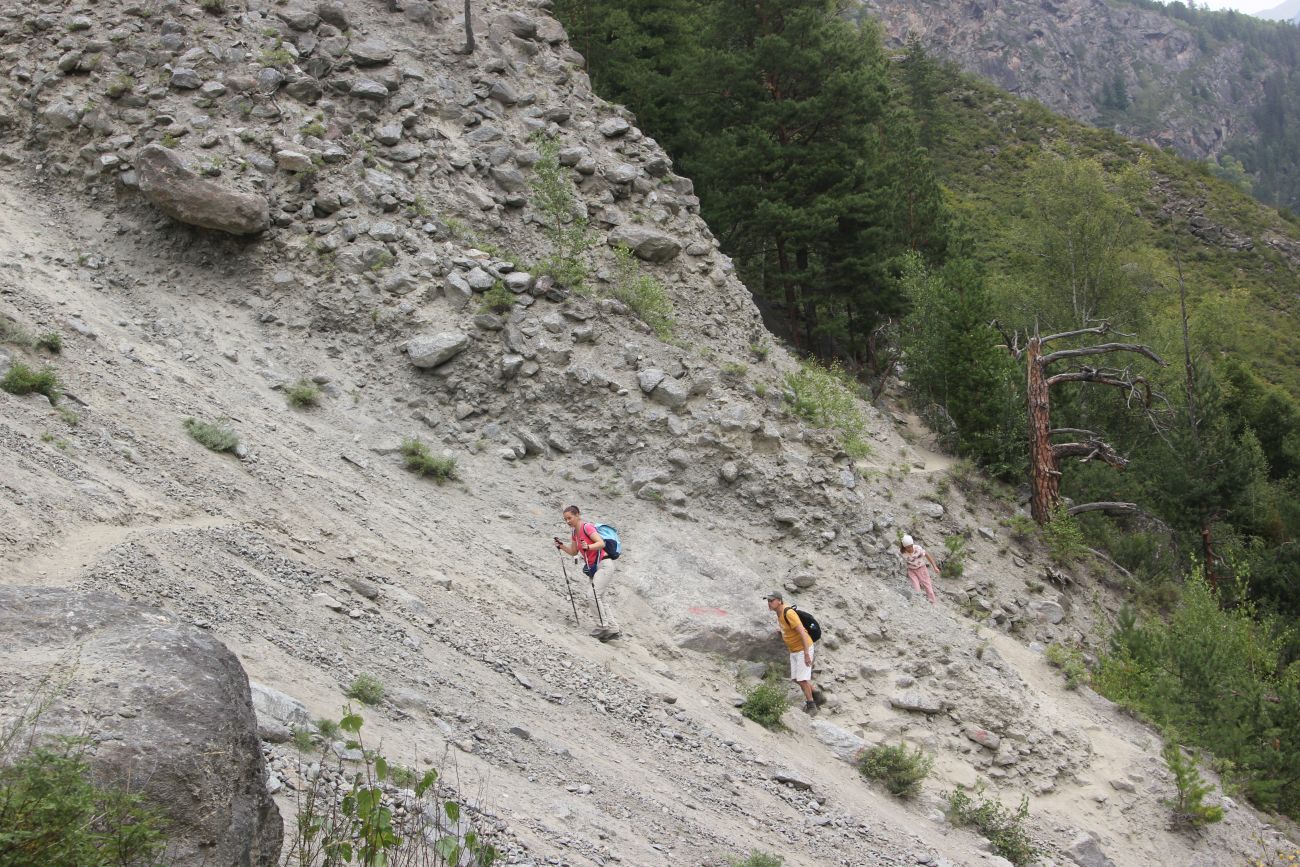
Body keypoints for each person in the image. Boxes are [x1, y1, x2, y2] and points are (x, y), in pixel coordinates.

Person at [554, 505, 620, 641]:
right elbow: (573, 552)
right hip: (594, 568)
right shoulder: (574, 533)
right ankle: (613, 629)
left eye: (569, 518)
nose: (567, 521)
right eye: (565, 519)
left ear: (577, 515)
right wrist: (561, 546)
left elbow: (600, 543)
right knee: (600, 597)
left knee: (593, 595)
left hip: (604, 564)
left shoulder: (587, 527)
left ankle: (603, 626)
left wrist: (589, 546)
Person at [765, 592, 817, 715]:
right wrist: (783, 631)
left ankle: (812, 706)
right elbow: (788, 627)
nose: (769, 603)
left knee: (802, 679)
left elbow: (803, 633)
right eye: (768, 601)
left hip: (803, 649)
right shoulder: (779, 613)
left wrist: (806, 653)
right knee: (795, 679)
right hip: (794, 650)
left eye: (771, 601)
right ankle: (816, 694)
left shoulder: (788, 613)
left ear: (779, 601)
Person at [899, 534, 939, 605]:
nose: (910, 548)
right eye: (908, 547)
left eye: (911, 546)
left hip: (922, 569)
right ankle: (919, 605)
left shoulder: (918, 548)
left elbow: (927, 555)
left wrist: (935, 567)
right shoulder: (903, 553)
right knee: (916, 589)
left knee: (928, 588)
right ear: (904, 547)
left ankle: (933, 605)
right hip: (911, 571)